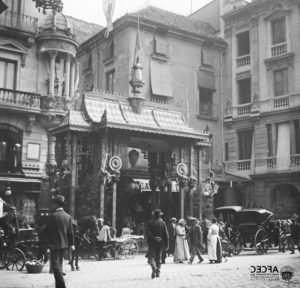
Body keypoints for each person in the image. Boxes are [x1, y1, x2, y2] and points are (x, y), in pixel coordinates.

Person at [45, 195, 74, 288]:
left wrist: (47, 244)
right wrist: (72, 244)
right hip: (64, 244)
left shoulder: (53, 216)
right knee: (59, 265)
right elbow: (70, 232)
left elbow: (48, 231)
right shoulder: (68, 217)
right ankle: (58, 286)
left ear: (56, 204)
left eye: (53, 204)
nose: (52, 205)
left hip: (54, 244)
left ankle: (62, 285)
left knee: (55, 267)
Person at [146, 209, 169, 279]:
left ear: (153, 215)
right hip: (160, 243)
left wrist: (154, 238)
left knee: (151, 258)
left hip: (152, 243)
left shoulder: (150, 222)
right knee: (158, 257)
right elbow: (166, 234)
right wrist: (167, 244)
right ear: (160, 215)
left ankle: (154, 268)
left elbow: (148, 232)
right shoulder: (162, 222)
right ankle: (157, 272)